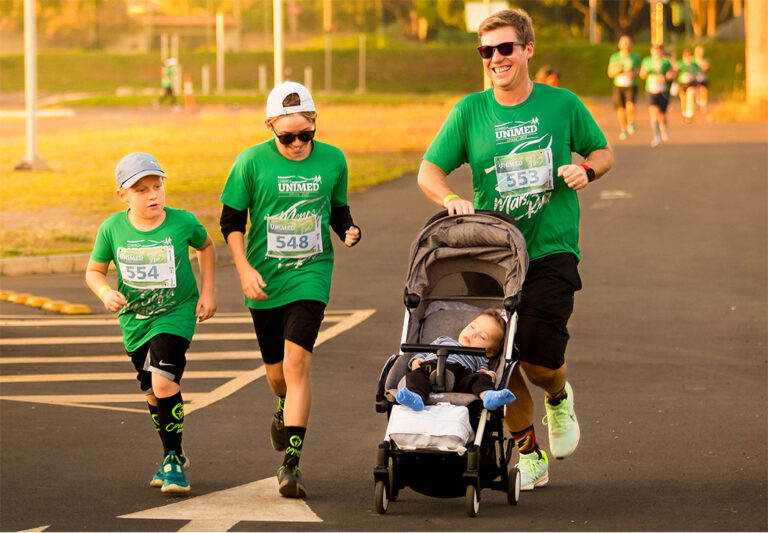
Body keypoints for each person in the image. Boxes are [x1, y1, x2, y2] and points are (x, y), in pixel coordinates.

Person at [416, 8, 613, 492]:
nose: (496, 59)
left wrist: (585, 171)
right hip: (494, 253)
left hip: (549, 249)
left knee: (537, 359)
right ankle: (529, 454)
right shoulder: (470, 111)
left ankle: (559, 395)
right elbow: (429, 171)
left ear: (527, 49)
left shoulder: (562, 104)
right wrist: (449, 198)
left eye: (505, 48)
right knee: (494, 356)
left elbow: (603, 152)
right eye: (487, 51)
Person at [219, 81, 361, 499]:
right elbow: (231, 221)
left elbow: (338, 209)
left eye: (306, 134)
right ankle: (281, 407)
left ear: (315, 124)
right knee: (277, 375)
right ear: (270, 127)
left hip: (311, 275)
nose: (298, 144)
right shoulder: (250, 163)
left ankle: (292, 465)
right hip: (263, 278)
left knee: (297, 363)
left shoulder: (333, 159)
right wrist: (243, 269)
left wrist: (348, 229)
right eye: (288, 136)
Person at [85, 152, 217, 495]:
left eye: (157, 186)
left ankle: (173, 460)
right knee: (151, 392)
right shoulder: (112, 228)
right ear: (123, 195)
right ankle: (171, 452)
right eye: (141, 190)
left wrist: (207, 292)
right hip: (135, 321)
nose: (153, 195)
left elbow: (206, 247)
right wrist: (104, 293)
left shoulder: (183, 222)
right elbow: (94, 271)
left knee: (162, 383)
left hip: (175, 313)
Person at [396, 309, 517, 411]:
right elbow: (425, 352)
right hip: (430, 368)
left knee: (478, 379)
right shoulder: (443, 340)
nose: (473, 334)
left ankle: (488, 396)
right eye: (473, 327)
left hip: (460, 375)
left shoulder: (479, 356)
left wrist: (490, 375)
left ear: (490, 352)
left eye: (482, 337)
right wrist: (416, 361)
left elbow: (482, 372)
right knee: (415, 376)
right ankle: (416, 397)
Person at [607, 35, 641, 140]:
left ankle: (631, 123)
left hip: (631, 85)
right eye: (623, 43)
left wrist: (633, 73)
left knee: (630, 105)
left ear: (630, 45)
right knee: (621, 109)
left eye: (627, 43)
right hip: (619, 85)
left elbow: (639, 71)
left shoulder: (635, 57)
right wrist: (617, 70)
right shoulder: (615, 57)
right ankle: (623, 129)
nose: (625, 45)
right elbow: (610, 73)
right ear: (619, 45)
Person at [640, 44, 674, 147]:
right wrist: (644, 73)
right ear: (652, 51)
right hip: (651, 90)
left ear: (662, 52)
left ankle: (663, 127)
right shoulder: (647, 61)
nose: (657, 53)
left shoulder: (666, 62)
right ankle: (656, 137)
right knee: (653, 112)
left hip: (663, 90)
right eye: (655, 51)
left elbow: (672, 74)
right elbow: (642, 75)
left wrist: (667, 77)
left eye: (659, 51)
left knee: (662, 115)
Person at [676, 48, 700, 123]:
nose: (688, 58)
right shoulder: (680, 64)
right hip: (682, 84)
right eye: (686, 56)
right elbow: (675, 71)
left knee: (690, 95)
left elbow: (698, 73)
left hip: (691, 83)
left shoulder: (694, 65)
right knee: (683, 100)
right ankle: (684, 113)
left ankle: (689, 114)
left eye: (689, 56)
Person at [693, 45, 711, 116]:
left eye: (701, 52)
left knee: (704, 89)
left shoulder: (706, 59)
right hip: (695, 77)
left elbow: (709, 66)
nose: (700, 54)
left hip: (703, 77)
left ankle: (703, 103)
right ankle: (697, 101)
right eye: (698, 52)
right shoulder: (693, 59)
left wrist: (707, 67)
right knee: (695, 90)